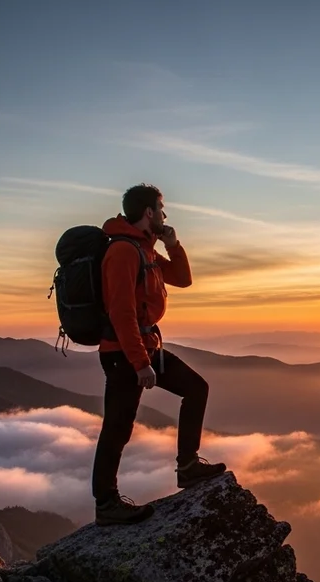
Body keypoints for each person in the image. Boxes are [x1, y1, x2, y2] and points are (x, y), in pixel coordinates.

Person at [91, 183, 227, 525]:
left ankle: (188, 466)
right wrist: (139, 363)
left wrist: (173, 244)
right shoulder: (122, 251)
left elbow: (183, 279)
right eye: (161, 209)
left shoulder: (145, 250)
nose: (165, 215)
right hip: (124, 353)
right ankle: (106, 503)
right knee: (118, 427)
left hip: (147, 347)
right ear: (148, 212)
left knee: (197, 388)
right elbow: (121, 313)